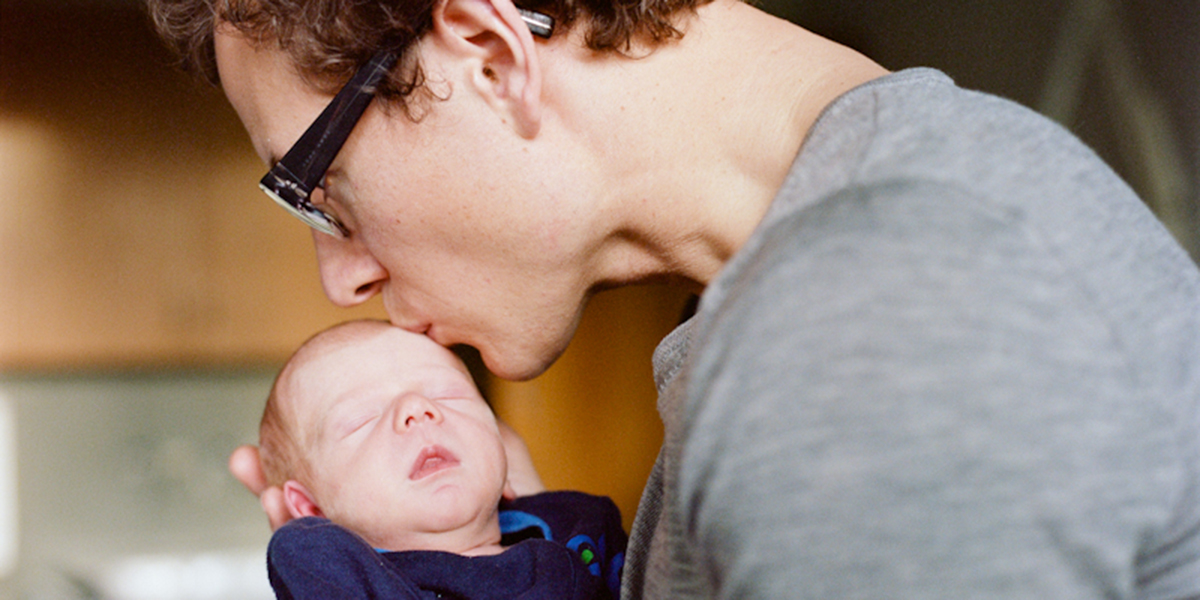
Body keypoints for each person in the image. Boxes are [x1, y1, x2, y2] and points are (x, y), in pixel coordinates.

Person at [147, 0, 1200, 596]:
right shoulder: (846, 274)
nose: (343, 276)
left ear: (487, 53)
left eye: (316, 187)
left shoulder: (869, 313)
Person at [258, 319, 626, 599]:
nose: (418, 409)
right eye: (361, 420)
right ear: (312, 509)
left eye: (447, 394)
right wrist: (303, 537)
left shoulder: (582, 525)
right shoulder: (358, 583)